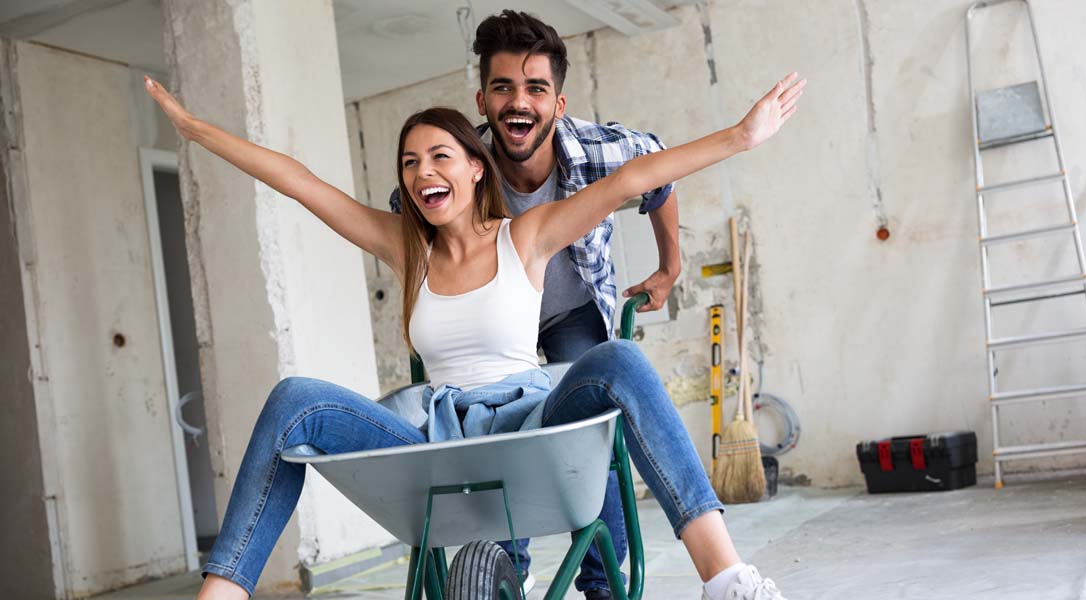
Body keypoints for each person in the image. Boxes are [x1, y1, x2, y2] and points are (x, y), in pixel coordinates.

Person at [143, 65, 805, 600]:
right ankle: (222, 595)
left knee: (620, 360)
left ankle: (725, 579)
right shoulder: (407, 250)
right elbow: (301, 183)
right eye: (410, 162)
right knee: (295, 399)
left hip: (532, 423)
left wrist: (740, 138)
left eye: (440, 156)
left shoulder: (527, 236)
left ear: (475, 167)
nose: (423, 171)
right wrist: (196, 130)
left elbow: (632, 178)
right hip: (438, 436)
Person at [455, 12, 686, 595]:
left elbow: (659, 173)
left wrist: (670, 265)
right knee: (497, 425)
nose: (518, 103)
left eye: (536, 89)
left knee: (591, 426)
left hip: (571, 309)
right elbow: (405, 208)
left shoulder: (598, 152)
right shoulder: (463, 168)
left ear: (558, 103)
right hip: (493, 323)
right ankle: (503, 571)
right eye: (503, 87)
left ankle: (604, 582)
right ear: (483, 100)